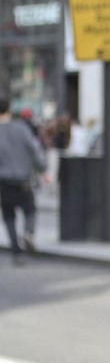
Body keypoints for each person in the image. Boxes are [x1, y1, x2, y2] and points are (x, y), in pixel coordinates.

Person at [0, 96, 47, 266]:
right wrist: (43, 169)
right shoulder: (22, 129)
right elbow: (34, 150)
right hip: (24, 180)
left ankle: (16, 251)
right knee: (30, 210)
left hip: (4, 182)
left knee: (9, 216)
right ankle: (28, 232)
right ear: (9, 110)